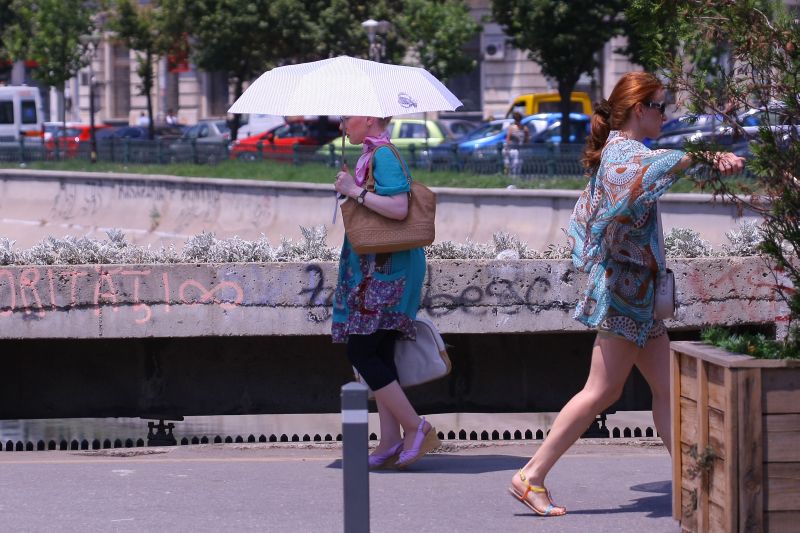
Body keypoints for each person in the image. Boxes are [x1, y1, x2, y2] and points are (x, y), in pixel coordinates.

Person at [507, 72, 745, 517]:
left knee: (666, 389)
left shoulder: (625, 152)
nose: (666, 114)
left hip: (636, 294)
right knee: (600, 391)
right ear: (640, 110)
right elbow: (651, 169)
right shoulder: (624, 154)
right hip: (624, 293)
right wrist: (705, 155)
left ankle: (696, 482)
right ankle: (531, 475)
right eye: (661, 106)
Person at [332, 115, 440, 469]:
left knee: (361, 351)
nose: (343, 122)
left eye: (348, 115)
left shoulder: (384, 156)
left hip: (388, 271)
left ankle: (415, 426)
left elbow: (399, 208)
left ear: (368, 118)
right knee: (379, 351)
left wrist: (353, 191)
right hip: (378, 268)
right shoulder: (371, 154)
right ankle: (390, 438)